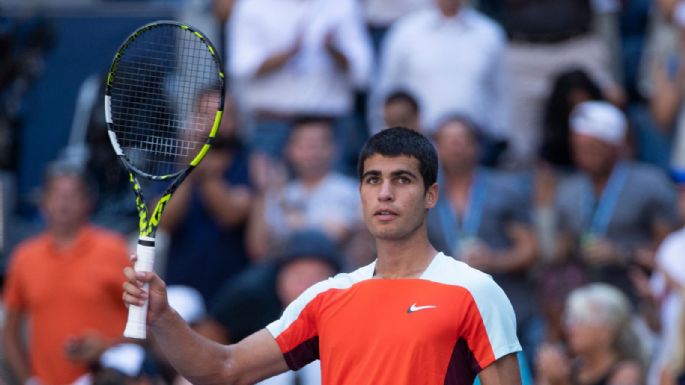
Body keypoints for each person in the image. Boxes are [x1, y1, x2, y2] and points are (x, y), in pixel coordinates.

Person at [122, 127, 522, 385]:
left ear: (430, 195)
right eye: (372, 180)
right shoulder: (326, 297)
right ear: (361, 193)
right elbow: (224, 369)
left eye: (402, 179)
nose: (385, 193)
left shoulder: (473, 290)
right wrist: (163, 317)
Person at [3, 162, 130, 385]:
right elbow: (9, 332)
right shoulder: (24, 257)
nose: (63, 202)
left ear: (88, 203)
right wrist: (29, 381)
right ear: (43, 202)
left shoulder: (113, 249)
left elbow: (148, 324)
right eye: (56, 194)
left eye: (72, 195)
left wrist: (108, 345)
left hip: (108, 379)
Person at [426, 116, 539, 366]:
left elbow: (531, 248)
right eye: (449, 141)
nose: (456, 147)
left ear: (477, 147)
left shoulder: (505, 189)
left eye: (463, 141)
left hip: (506, 309)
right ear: (436, 148)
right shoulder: (425, 195)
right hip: (449, 315)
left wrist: (494, 260)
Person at [554, 101, 678, 304]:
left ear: (615, 146)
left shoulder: (650, 184)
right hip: (587, 301)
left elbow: (671, 250)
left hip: (639, 299)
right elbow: (560, 252)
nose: (584, 156)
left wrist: (623, 254)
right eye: (579, 148)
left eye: (593, 148)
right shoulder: (568, 190)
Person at [159, 90, 253, 306]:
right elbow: (162, 222)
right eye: (207, 114)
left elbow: (230, 215)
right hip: (181, 287)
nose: (216, 122)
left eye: (223, 114)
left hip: (233, 291)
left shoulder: (250, 163)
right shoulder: (174, 163)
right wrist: (188, 169)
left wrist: (201, 168)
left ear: (237, 121)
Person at [371, 0, 508, 139]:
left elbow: (499, 92)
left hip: (476, 143)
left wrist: (500, 136)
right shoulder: (404, 31)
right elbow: (386, 88)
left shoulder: (489, 33)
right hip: (417, 144)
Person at [246, 117, 361, 262]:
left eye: (317, 144)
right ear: (288, 150)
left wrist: (286, 207)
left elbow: (331, 238)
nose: (311, 152)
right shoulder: (279, 191)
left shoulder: (350, 190)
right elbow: (259, 250)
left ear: (334, 149)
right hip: (283, 274)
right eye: (303, 145)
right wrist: (262, 191)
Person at [535, 283, 645, 385]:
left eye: (581, 320)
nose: (570, 328)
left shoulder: (627, 373)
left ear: (606, 331)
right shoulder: (569, 368)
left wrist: (561, 382)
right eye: (570, 319)